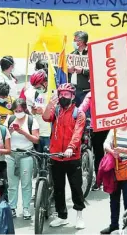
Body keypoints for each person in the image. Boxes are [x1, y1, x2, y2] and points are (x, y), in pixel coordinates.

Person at [43, 83, 86, 229]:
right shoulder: (56, 110)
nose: (62, 97)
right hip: (56, 156)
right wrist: (50, 103)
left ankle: (79, 216)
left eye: (66, 94)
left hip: (72, 157)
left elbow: (77, 133)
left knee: (76, 187)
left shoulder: (78, 113)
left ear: (73, 96)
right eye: (60, 94)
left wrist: (70, 148)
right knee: (58, 188)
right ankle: (62, 216)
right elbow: (45, 117)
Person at [100, 124, 127, 234]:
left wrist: (123, 150)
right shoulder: (114, 128)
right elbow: (106, 143)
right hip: (114, 166)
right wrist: (111, 151)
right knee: (114, 197)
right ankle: (114, 226)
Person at [5, 99, 39, 220]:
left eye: (20, 110)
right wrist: (9, 130)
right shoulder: (9, 119)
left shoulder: (31, 120)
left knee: (26, 183)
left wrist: (23, 132)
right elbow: (4, 137)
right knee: (12, 184)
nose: (18, 112)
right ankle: (12, 207)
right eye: (16, 111)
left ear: (24, 109)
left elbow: (36, 139)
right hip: (11, 155)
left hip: (26, 155)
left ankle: (25, 208)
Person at [25, 70, 51, 152]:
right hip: (36, 132)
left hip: (49, 134)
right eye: (35, 88)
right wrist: (33, 111)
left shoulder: (54, 93)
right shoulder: (31, 93)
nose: (36, 89)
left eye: (38, 87)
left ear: (46, 83)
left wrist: (44, 111)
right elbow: (30, 111)